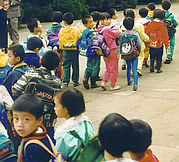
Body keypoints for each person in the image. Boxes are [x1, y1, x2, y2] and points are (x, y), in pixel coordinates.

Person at [54, 87, 94, 161]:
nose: (54, 108)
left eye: (56, 105)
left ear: (66, 109)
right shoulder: (86, 122)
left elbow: (58, 153)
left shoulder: (63, 133)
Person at [12, 94, 56, 162]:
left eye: (26, 119)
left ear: (39, 120)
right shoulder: (43, 131)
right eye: (16, 118)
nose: (20, 124)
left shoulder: (33, 148)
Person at [97, 12, 121, 91]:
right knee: (114, 68)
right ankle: (113, 85)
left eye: (108, 19)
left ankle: (104, 82)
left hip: (104, 51)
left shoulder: (99, 29)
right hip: (111, 50)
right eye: (105, 19)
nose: (108, 21)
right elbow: (117, 34)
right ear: (101, 21)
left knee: (108, 68)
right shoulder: (107, 29)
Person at [58, 12, 81, 87]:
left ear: (63, 21)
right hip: (74, 50)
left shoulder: (62, 30)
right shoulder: (75, 30)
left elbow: (60, 40)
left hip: (65, 50)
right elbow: (79, 37)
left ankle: (65, 81)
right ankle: (75, 81)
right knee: (75, 65)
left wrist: (61, 48)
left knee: (66, 65)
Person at [126, 9, 149, 77]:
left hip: (128, 45)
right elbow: (142, 35)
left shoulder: (123, 25)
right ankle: (137, 69)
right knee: (140, 56)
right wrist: (147, 39)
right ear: (134, 16)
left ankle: (130, 69)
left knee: (129, 57)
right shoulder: (138, 25)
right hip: (138, 44)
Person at [120, 17, 141, 91]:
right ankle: (135, 84)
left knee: (128, 67)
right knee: (134, 69)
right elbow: (139, 44)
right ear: (133, 25)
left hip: (126, 53)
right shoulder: (135, 34)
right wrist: (139, 50)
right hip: (134, 53)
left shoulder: (122, 34)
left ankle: (129, 81)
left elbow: (120, 43)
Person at [145, 9, 169, 73]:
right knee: (159, 57)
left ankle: (151, 68)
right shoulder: (161, 25)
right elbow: (165, 35)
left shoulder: (150, 23)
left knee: (152, 56)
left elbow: (146, 32)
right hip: (159, 44)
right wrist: (166, 43)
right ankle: (158, 69)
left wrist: (147, 42)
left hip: (151, 43)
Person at [80, 15, 100, 89]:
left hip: (88, 51)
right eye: (90, 22)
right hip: (94, 51)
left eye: (93, 21)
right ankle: (93, 83)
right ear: (85, 24)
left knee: (89, 65)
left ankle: (85, 78)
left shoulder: (84, 32)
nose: (92, 23)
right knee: (95, 66)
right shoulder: (92, 32)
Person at [162, 0, 178, 64]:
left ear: (162, 6)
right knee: (170, 44)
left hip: (163, 32)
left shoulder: (161, 14)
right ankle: (169, 57)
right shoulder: (171, 15)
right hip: (170, 32)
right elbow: (176, 23)